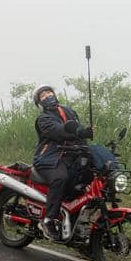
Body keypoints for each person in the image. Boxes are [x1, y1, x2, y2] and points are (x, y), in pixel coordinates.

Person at [32, 85, 93, 242]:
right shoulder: (43, 119)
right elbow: (59, 131)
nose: (47, 96)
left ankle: (77, 218)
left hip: (70, 155)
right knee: (60, 178)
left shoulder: (69, 111)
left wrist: (85, 135)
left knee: (90, 175)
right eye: (42, 96)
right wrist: (78, 132)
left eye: (48, 92)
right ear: (39, 102)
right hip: (49, 158)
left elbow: (77, 129)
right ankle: (48, 220)